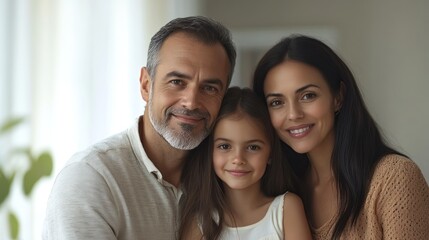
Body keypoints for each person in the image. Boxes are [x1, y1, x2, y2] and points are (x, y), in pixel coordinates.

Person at [43, 16, 236, 239]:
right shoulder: (92, 177)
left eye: (209, 88)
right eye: (177, 82)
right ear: (146, 85)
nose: (191, 102)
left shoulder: (228, 176)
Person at [252, 34, 429, 239]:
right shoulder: (282, 191)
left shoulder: (393, 178)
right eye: (277, 102)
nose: (293, 114)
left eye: (308, 96)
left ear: (338, 97)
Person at [179, 87, 312, 240]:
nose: (238, 159)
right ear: (210, 152)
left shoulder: (286, 209)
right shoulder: (199, 220)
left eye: (253, 147)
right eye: (224, 146)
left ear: (271, 154)